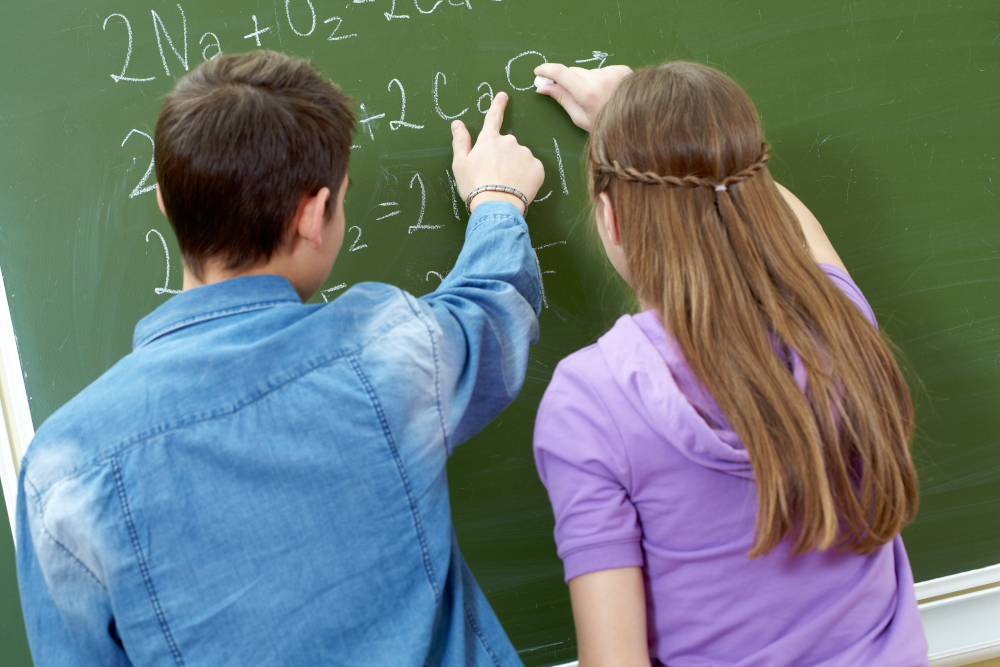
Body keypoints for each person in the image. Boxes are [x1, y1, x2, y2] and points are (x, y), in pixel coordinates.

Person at [16, 50, 544, 666]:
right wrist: (498, 200)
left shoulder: (62, 472)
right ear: (315, 216)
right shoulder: (384, 351)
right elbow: (496, 306)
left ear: (165, 204)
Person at [531, 61, 929, 666]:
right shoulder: (841, 328)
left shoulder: (592, 401)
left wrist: (641, 132)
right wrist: (672, 130)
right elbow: (795, 228)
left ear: (609, 218)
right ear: (753, 197)